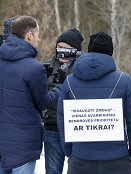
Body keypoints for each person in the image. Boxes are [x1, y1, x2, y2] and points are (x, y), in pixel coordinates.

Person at [57, 31, 131, 174]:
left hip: (80, 158)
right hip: (117, 159)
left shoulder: (69, 81)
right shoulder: (124, 80)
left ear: (89, 50)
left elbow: (62, 119)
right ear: (110, 52)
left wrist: (68, 151)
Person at [0, 16, 61, 174]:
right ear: (29, 35)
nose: (38, 39)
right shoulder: (34, 68)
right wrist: (58, 89)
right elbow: (43, 102)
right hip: (23, 144)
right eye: (37, 34)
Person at [42, 28, 84, 174]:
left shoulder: (84, 68)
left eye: (67, 48)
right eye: (60, 48)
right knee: (53, 170)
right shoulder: (46, 67)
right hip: (53, 127)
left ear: (76, 50)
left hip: (78, 127)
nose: (63, 52)